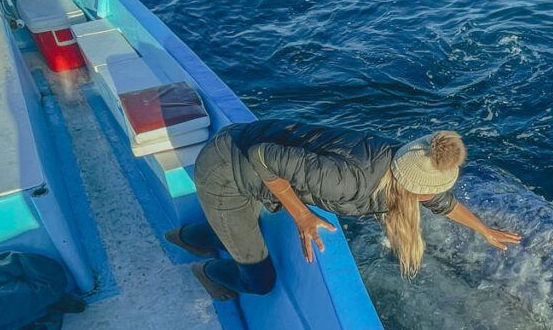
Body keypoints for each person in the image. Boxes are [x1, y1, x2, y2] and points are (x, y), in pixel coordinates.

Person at [166, 120, 521, 300]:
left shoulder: (403, 162)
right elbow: (262, 156)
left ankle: (186, 237)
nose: (434, 197)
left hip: (246, 167)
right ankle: (209, 272)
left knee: (232, 228)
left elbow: (440, 201)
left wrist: (484, 230)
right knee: (260, 282)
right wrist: (302, 216)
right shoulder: (347, 181)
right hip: (224, 173)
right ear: (412, 185)